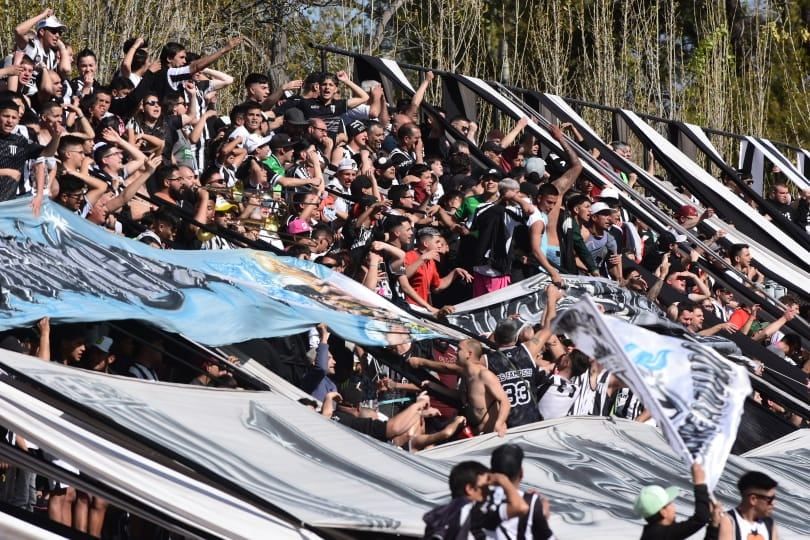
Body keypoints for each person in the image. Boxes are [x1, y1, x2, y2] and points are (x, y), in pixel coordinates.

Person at [422, 460, 529, 540]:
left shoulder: (438, 514)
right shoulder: (473, 511)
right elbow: (521, 507)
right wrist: (503, 480)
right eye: (485, 487)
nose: (487, 492)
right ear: (470, 489)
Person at [489, 444, 555, 540]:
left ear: (491, 473)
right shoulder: (531, 503)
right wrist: (540, 513)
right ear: (521, 473)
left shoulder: (478, 500)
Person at [634, 462, 710, 540]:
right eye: (669, 503)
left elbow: (701, 519)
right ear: (663, 512)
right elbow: (701, 518)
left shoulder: (652, 533)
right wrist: (699, 483)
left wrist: (714, 526)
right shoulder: (661, 534)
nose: (673, 506)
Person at [715, 471, 779, 540]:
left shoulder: (769, 524)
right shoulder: (729, 521)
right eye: (770, 499)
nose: (774, 503)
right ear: (753, 499)